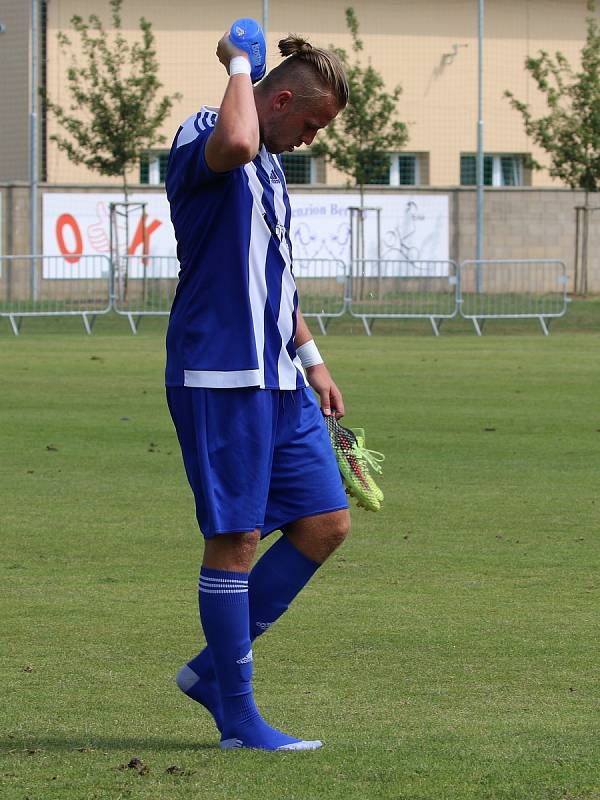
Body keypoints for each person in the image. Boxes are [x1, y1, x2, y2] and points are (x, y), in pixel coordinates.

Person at [165, 29, 351, 752]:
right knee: (237, 538)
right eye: (311, 123)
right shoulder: (211, 130)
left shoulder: (272, 167)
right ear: (277, 97)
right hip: (221, 373)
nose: (311, 138)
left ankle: (216, 671)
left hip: (279, 377)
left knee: (325, 522)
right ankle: (238, 719)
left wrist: (314, 360)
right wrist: (238, 60)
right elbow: (238, 141)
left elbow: (276, 276)